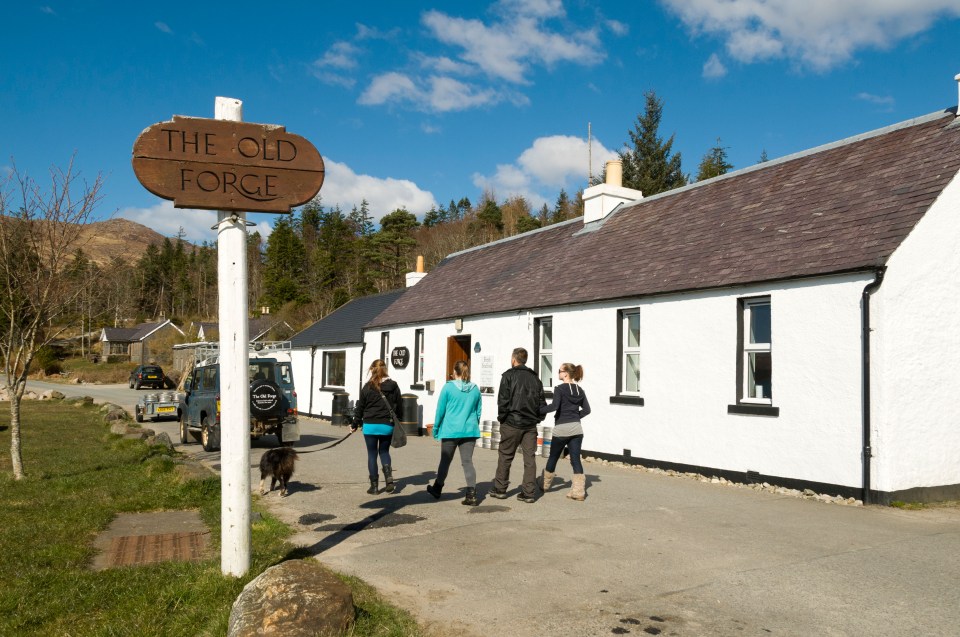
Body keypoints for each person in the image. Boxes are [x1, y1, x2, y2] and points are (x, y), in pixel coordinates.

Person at [491, 347, 546, 503]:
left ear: (514, 359)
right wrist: (538, 418)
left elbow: (502, 401)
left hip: (512, 422)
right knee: (530, 458)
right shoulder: (535, 379)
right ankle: (529, 493)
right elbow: (542, 403)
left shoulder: (508, 376)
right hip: (529, 424)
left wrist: (503, 419)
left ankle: (500, 489)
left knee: (506, 456)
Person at [426, 360, 483, 505]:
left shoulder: (448, 388)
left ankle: (437, 488)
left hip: (451, 430)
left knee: (445, 461)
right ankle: (472, 494)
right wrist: (472, 423)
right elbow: (478, 411)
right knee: (467, 462)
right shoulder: (475, 389)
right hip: (469, 430)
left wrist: (436, 428)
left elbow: (440, 410)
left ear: (454, 372)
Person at [540, 363, 591, 501]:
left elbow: (554, 406)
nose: (558, 373)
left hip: (562, 428)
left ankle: (545, 485)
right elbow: (587, 410)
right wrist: (575, 418)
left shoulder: (559, 389)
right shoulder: (580, 390)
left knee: (553, 457)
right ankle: (579, 492)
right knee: (575, 460)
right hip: (577, 429)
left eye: (559, 371)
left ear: (566, 374)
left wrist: (537, 410)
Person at [351, 359, 402, 495]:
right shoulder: (394, 386)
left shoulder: (367, 387)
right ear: (385, 370)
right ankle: (389, 480)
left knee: (372, 455)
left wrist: (354, 424)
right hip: (387, 425)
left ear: (372, 370)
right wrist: (398, 420)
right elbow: (400, 405)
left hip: (370, 425)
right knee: (384, 452)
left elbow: (360, 407)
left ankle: (374, 487)